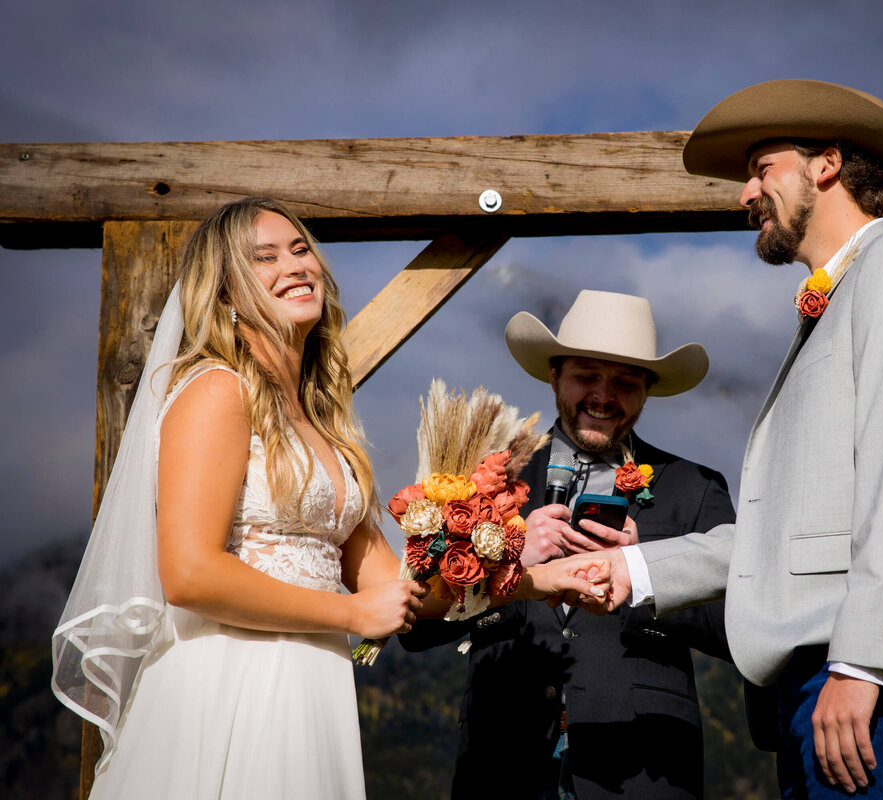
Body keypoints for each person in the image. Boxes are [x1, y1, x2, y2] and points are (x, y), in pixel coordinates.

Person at [50, 197, 608, 798]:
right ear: (227, 294)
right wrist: (348, 614)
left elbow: (402, 593)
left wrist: (534, 577)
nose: (295, 265)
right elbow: (188, 574)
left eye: (300, 249)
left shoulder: (324, 426)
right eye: (265, 258)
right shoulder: (215, 390)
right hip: (230, 682)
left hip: (312, 686)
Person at [563, 80, 883, 798]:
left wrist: (860, 667)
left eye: (761, 169)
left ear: (825, 165)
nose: (745, 193)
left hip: (874, 682)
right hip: (823, 683)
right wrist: (639, 571)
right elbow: (791, 532)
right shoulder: (841, 299)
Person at [402, 289, 737, 799]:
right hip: (502, 761)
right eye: (586, 377)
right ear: (554, 376)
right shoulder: (478, 478)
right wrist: (505, 563)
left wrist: (648, 565)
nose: (603, 396)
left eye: (625, 382)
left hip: (643, 766)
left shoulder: (695, 488)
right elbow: (412, 628)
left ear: (647, 391)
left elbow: (738, 629)